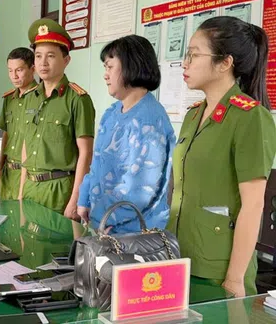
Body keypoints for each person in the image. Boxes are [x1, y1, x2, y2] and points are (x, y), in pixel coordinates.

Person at [167, 16, 276, 297]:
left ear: (225, 63)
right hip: (180, 254)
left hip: (217, 267)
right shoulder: (193, 115)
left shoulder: (250, 117)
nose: (185, 62)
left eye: (194, 54)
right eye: (186, 54)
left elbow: (253, 206)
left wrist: (235, 279)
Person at [77, 35, 175, 233]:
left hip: (131, 233)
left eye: (110, 67)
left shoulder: (149, 118)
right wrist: (84, 199)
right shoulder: (111, 113)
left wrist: (101, 217)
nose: (105, 75)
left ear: (131, 65)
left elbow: (139, 190)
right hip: (103, 225)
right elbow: (96, 165)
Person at [19, 18, 96, 219]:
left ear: (66, 60)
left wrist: (75, 201)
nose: (43, 63)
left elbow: (85, 154)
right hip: (30, 189)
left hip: (59, 191)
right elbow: (26, 147)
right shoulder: (29, 98)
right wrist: (20, 193)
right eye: (38, 56)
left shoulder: (77, 99)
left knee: (56, 249)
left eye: (51, 56)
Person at [0, 48, 37, 200]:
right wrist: (0, 168)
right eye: (10, 70)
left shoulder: (40, 98)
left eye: (19, 70)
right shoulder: (9, 99)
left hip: (29, 174)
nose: (14, 76)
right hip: (8, 173)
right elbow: (6, 134)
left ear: (33, 69)